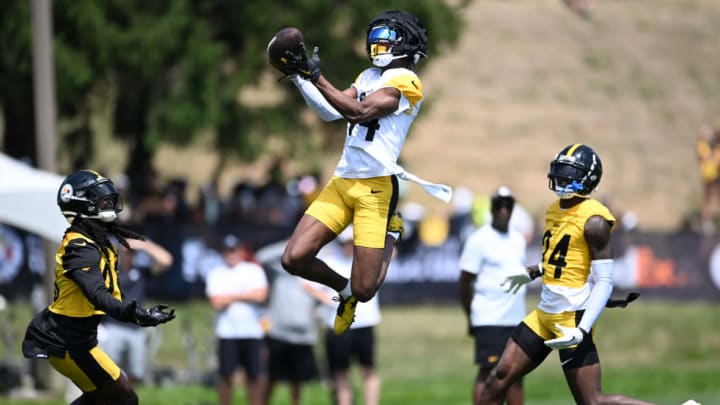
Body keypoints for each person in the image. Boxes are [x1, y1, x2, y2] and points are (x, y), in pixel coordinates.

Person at [274, 9, 452, 335]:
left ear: (405, 44)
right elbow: (331, 111)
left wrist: (316, 76)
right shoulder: (368, 76)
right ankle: (343, 292)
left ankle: (391, 233)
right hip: (344, 178)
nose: (377, 47)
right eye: (375, 40)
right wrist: (301, 77)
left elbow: (359, 112)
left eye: (385, 41)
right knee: (293, 258)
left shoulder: (407, 80)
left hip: (375, 186)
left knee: (366, 290)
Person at [478, 145, 655, 405]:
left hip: (572, 316)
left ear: (587, 179)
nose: (560, 177)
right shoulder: (554, 209)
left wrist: (582, 329)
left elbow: (604, 282)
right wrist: (533, 272)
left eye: (568, 173)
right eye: (559, 171)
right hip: (544, 313)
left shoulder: (594, 220)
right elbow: (562, 257)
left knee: (592, 401)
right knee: (499, 378)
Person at [21, 170, 176, 405]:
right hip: (66, 340)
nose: (109, 203)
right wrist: (136, 314)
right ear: (82, 205)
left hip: (82, 338)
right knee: (124, 398)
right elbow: (96, 294)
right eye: (101, 199)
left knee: (103, 398)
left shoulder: (97, 243)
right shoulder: (79, 246)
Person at [458, 186, 527, 405]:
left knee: (516, 374)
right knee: (489, 371)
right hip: (489, 317)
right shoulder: (479, 239)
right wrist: (471, 316)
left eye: (508, 205)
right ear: (492, 207)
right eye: (499, 205)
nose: (503, 210)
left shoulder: (518, 240)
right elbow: (465, 281)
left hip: (515, 317)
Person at [255, 239, 329, 405]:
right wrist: (293, 243)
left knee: (297, 380)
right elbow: (261, 256)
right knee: (271, 377)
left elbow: (326, 300)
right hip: (278, 334)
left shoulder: (314, 276)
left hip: (303, 336)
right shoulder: (280, 272)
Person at [320, 226, 382, 405]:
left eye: (352, 243)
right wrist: (328, 300)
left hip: (364, 323)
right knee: (340, 372)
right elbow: (307, 285)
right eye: (345, 243)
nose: (348, 247)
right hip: (338, 324)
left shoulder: (367, 261)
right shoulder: (330, 261)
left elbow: (391, 255)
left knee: (368, 369)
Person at [100, 238, 173, 386]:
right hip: (113, 327)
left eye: (133, 253)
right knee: (110, 373)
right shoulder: (111, 272)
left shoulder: (141, 272)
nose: (130, 255)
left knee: (134, 375)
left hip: (135, 329)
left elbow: (167, 260)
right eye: (127, 252)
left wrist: (144, 245)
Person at [205, 234, 269, 405]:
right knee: (226, 375)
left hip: (252, 331)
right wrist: (245, 295)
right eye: (227, 251)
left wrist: (231, 296)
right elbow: (217, 302)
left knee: (255, 376)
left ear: (241, 251)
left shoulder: (254, 270)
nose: (230, 254)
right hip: (228, 332)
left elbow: (261, 295)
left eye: (233, 250)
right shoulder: (217, 273)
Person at [696, 124, 720, 234]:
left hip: (714, 174)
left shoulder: (713, 146)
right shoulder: (703, 145)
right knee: (708, 198)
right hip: (708, 175)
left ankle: (711, 220)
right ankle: (706, 221)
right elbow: (706, 158)